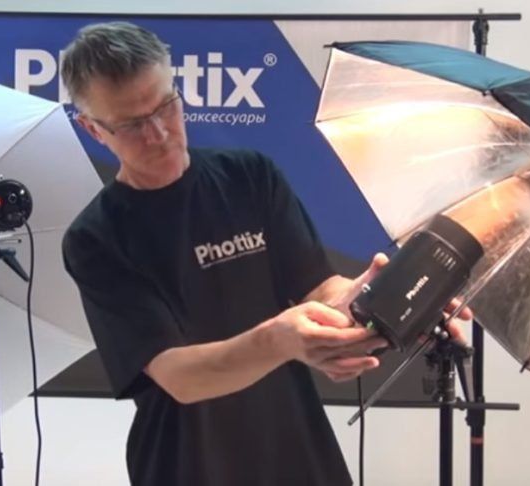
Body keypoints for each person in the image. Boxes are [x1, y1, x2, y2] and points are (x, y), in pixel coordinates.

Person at [60, 21, 469, 486]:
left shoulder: (248, 175)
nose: (158, 133)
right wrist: (278, 339)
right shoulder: (96, 238)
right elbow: (179, 377)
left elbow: (319, 288)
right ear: (93, 129)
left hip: (292, 444)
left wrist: (385, 299)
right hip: (188, 463)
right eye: (133, 125)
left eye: (165, 106)